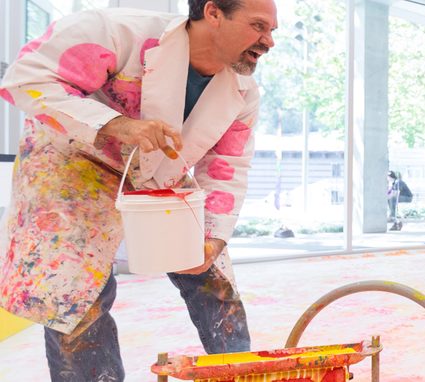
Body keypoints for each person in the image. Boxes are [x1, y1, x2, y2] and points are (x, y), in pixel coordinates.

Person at [0, 0, 277, 380]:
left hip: (158, 166)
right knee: (77, 293)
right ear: (213, 13)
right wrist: (116, 124)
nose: (268, 41)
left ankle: (241, 374)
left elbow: (225, 169)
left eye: (271, 31)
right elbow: (26, 79)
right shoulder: (117, 32)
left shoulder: (243, 92)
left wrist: (211, 239)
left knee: (213, 277)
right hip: (73, 159)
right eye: (258, 26)